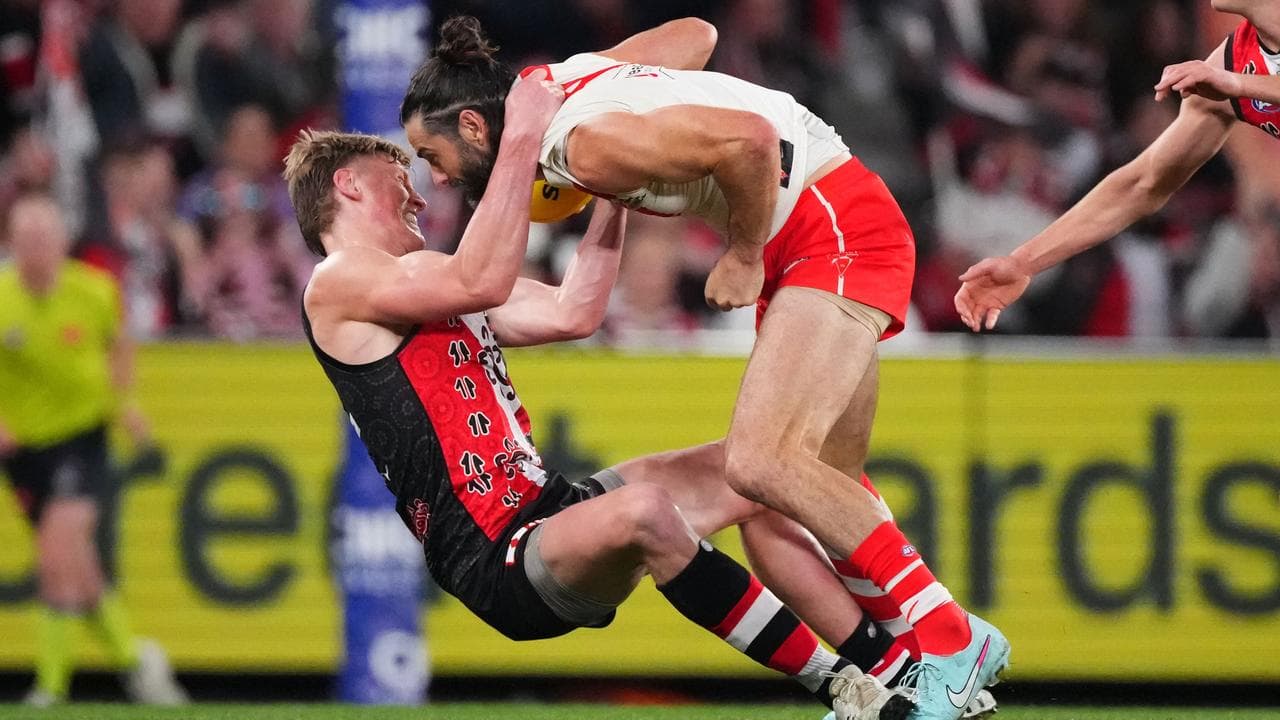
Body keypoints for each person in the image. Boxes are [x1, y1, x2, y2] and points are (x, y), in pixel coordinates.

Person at [397, 17, 1008, 720]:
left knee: (759, 462)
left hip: (827, 229)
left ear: (475, 128)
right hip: (818, 225)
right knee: (803, 492)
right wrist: (620, 72)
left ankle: (953, 640)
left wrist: (744, 252)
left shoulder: (580, 144)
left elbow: (746, 141)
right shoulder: (563, 87)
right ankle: (914, 669)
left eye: (429, 153)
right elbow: (698, 34)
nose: (434, 175)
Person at [284, 79, 909, 720]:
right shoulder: (338, 282)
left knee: (761, 471)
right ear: (348, 186)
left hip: (549, 512)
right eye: (398, 176)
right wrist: (524, 136)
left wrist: (615, 193)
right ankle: (844, 690)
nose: (419, 193)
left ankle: (892, 667)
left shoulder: (425, 282)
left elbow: (573, 310)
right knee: (646, 513)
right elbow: (484, 276)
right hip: (492, 555)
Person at [955, 0, 1280, 330]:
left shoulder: (1229, 78)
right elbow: (1143, 183)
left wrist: (1238, 85)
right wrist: (1023, 263)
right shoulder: (1232, 62)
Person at [0, 193, 187, 707]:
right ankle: (134, 661)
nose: (35, 249)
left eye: (44, 238)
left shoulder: (95, 290)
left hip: (83, 437)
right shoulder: (2, 298)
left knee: (56, 553)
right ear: (10, 243)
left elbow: (119, 345)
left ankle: (51, 686)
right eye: (25, 239)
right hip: (23, 451)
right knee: (76, 567)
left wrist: (123, 402)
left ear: (63, 242)